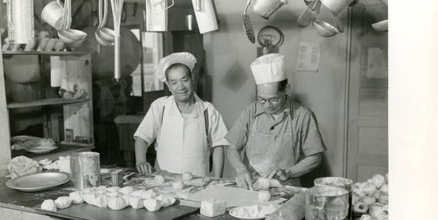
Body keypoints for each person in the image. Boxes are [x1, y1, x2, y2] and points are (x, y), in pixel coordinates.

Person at [226, 53, 326, 189]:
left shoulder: (303, 115)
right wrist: (240, 168)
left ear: (286, 90)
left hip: (286, 188)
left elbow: (315, 157)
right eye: (261, 99)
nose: (267, 105)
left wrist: (289, 172)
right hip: (251, 186)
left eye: (273, 99)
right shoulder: (250, 112)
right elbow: (232, 148)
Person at [134, 52, 229, 177]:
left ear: (192, 78)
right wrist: (141, 160)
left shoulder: (208, 111)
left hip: (199, 182)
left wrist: (217, 178)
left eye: (184, 80)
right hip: (164, 181)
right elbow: (142, 137)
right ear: (168, 85)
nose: (181, 87)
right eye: (174, 82)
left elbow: (218, 146)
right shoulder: (160, 107)